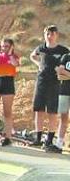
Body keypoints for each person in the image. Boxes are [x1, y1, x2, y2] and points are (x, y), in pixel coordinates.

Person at [31, 25, 68, 153]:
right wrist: (39, 64)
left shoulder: (63, 50)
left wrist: (62, 72)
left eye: (52, 34)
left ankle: (49, 140)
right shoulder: (41, 48)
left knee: (52, 112)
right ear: (44, 35)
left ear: (57, 35)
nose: (50, 36)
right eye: (47, 33)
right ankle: (38, 138)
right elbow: (32, 56)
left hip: (55, 84)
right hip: (41, 81)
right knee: (39, 110)